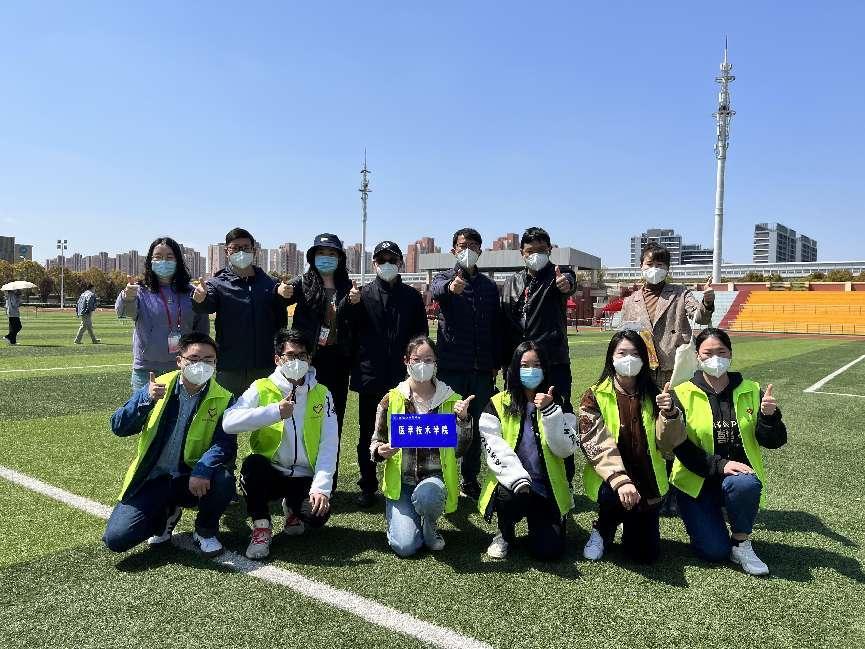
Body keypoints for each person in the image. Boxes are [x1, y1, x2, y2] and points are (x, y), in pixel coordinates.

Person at [656, 327, 787, 575]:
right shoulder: (681, 394)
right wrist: (669, 415)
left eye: (721, 352)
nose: (715, 358)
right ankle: (707, 517)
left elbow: (774, 441)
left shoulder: (751, 390)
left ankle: (740, 542)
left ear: (731, 354)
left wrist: (770, 418)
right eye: (708, 353)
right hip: (695, 480)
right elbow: (676, 446)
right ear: (697, 356)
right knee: (713, 551)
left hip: (737, 479)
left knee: (744, 485)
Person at [102, 332, 237, 558]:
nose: (201, 365)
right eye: (194, 359)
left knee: (223, 480)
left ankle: (205, 531)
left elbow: (225, 443)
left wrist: (203, 469)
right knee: (116, 539)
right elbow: (119, 427)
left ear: (216, 364)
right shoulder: (158, 386)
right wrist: (145, 399)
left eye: (209, 360)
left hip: (190, 476)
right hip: (153, 478)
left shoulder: (224, 397)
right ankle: (167, 514)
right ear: (179, 361)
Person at [222, 329, 339, 560]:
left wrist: (321, 488)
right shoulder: (261, 387)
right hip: (271, 472)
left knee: (317, 516)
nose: (297, 361)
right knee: (253, 466)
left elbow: (329, 443)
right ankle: (261, 526)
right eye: (290, 355)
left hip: (304, 475)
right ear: (278, 359)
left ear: (310, 359)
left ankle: (293, 508)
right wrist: (275, 412)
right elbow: (229, 422)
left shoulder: (323, 393)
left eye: (302, 356)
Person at [370, 336, 474, 557]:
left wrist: (463, 420)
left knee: (428, 495)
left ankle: (429, 522)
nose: (422, 365)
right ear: (406, 361)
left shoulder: (451, 400)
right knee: (405, 547)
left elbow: (460, 450)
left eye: (428, 360)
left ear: (436, 363)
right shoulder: (391, 398)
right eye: (416, 359)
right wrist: (379, 451)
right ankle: (404, 519)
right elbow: (376, 440)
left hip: (433, 481)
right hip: (402, 483)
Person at [342, 240, 428, 507]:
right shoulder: (362, 295)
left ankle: (407, 480)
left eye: (392, 260)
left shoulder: (412, 297)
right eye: (382, 260)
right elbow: (346, 327)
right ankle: (368, 485)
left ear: (400, 263)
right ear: (374, 264)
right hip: (371, 375)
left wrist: (418, 369)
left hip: (404, 377)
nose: (387, 264)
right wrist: (349, 303)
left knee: (407, 430)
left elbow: (421, 336)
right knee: (368, 432)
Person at [478, 341, 580, 561]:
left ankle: (547, 521)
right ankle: (505, 532)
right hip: (513, 485)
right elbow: (493, 446)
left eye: (537, 365)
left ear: (545, 368)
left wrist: (551, 412)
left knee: (549, 551)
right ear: (515, 368)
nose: (531, 370)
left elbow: (567, 448)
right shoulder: (498, 403)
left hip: (546, 486)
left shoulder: (559, 402)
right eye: (525, 365)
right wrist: (518, 478)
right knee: (507, 496)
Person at [579, 330, 670, 564]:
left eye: (635, 353)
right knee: (613, 496)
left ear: (644, 359)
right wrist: (619, 479)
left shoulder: (656, 395)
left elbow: (670, 444)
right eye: (622, 353)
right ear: (611, 357)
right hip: (610, 479)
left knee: (645, 555)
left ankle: (629, 520)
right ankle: (603, 527)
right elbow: (592, 440)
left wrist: (670, 415)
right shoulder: (594, 395)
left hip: (647, 478)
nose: (629, 359)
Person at [274, 233, 352, 489]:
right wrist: (280, 291)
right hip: (308, 361)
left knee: (333, 419)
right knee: (302, 416)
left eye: (332, 254)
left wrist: (355, 303)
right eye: (321, 253)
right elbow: (280, 296)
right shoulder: (303, 282)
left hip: (338, 361)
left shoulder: (346, 285)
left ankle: (328, 481)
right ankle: (299, 478)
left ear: (340, 258)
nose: (326, 258)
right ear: (312, 257)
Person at [430, 228, 501, 500]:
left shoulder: (489, 286)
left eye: (473, 245)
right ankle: (438, 476)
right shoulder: (443, 278)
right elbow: (436, 290)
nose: (468, 250)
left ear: (480, 250)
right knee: (445, 424)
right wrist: (451, 288)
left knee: (476, 425)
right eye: (463, 245)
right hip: (451, 368)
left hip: (481, 370)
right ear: (454, 250)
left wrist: (496, 362)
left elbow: (495, 327)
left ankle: (469, 479)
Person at [191, 227, 289, 397]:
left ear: (254, 251)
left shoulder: (270, 283)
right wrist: (200, 299)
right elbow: (207, 305)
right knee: (228, 411)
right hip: (230, 367)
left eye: (245, 248)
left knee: (267, 411)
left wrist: (283, 295)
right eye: (235, 248)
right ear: (226, 251)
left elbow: (282, 320)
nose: (241, 252)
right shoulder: (217, 283)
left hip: (266, 365)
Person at [116, 237, 209, 393]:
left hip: (183, 367)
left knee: (180, 409)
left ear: (178, 261)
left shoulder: (192, 292)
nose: (163, 261)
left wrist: (202, 303)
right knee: (145, 409)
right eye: (158, 257)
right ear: (150, 261)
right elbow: (125, 313)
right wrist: (128, 297)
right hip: (146, 370)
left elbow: (202, 330)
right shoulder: (139, 290)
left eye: (169, 257)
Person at [618, 242, 714, 388]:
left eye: (659, 265)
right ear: (641, 266)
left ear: (667, 268)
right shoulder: (630, 301)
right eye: (650, 264)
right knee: (645, 402)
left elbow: (701, 318)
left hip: (674, 366)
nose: (654, 268)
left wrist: (707, 302)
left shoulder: (681, 293)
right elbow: (624, 336)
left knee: (675, 401)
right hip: (641, 366)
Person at [500, 227, 578, 404]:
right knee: (516, 410)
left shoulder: (557, 276)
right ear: (522, 252)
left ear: (549, 250)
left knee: (557, 409)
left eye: (541, 250)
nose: (536, 255)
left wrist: (567, 284)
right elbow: (503, 324)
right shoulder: (511, 282)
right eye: (530, 251)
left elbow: (569, 279)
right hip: (518, 362)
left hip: (552, 361)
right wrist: (503, 361)